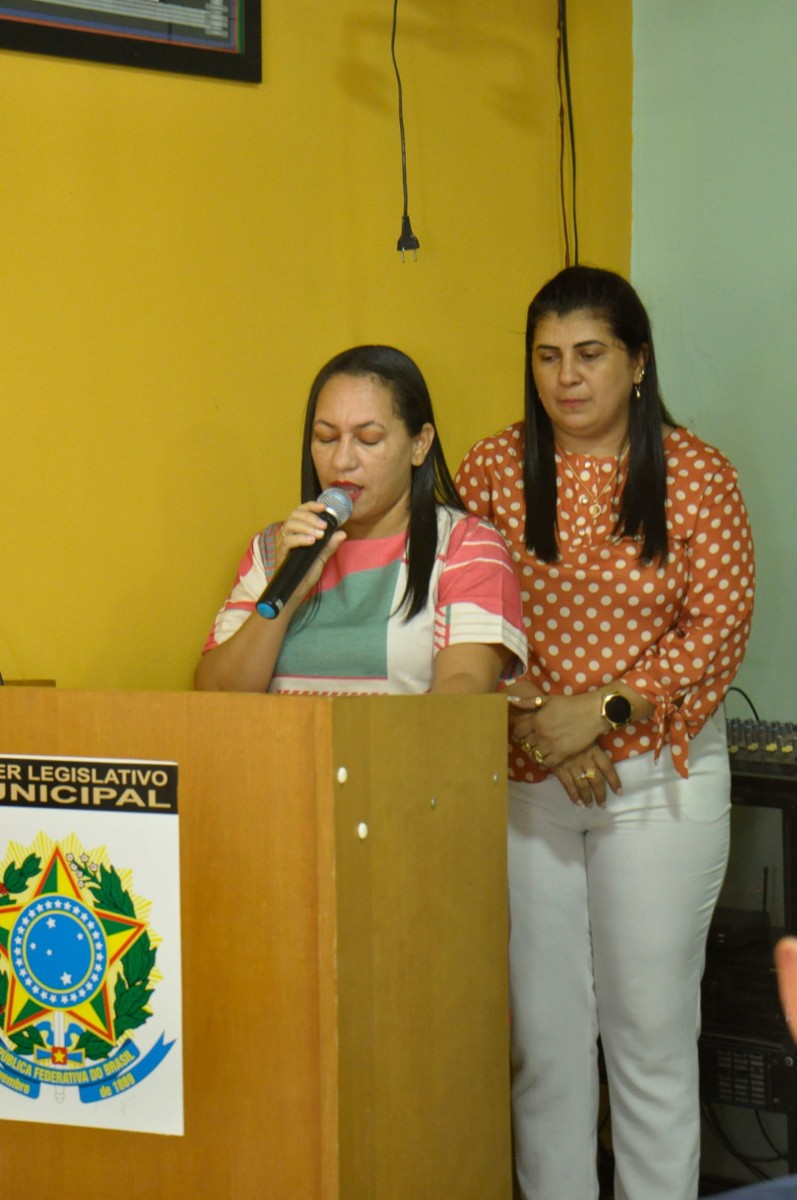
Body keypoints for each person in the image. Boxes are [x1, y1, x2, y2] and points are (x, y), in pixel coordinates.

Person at [456, 266, 755, 1200]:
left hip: (657, 788)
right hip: (528, 783)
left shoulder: (696, 474)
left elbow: (718, 626)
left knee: (649, 1042)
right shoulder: (492, 469)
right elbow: (462, 611)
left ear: (636, 363)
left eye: (588, 355)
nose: (565, 378)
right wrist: (550, 720)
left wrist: (607, 707)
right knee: (543, 1048)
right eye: (546, 357)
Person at [196, 344, 527, 697]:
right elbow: (217, 695)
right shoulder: (275, 548)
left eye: (368, 439)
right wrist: (287, 591)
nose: (342, 460)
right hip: (282, 752)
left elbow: (462, 697)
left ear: (420, 444)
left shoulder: (466, 545)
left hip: (405, 752)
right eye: (326, 438)